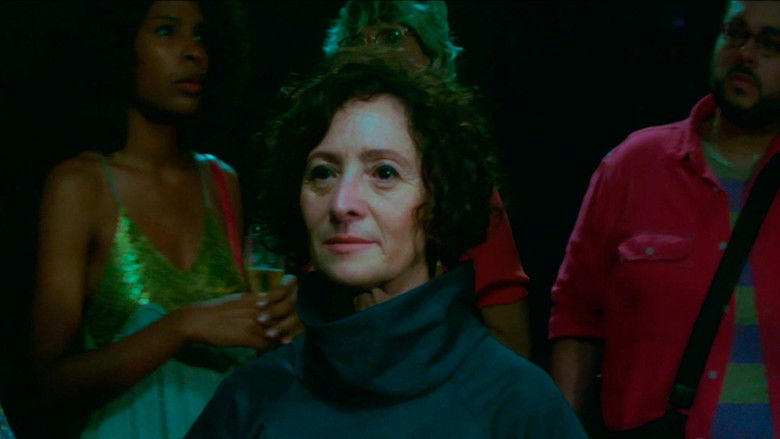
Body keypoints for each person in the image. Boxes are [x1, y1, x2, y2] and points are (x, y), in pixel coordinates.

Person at [185, 58, 585, 438]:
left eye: (384, 173)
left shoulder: (516, 404)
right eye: (323, 173)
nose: (341, 203)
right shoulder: (250, 399)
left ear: (440, 199)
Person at [29, 1, 299, 438]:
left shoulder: (221, 181)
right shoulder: (80, 185)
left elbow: (246, 355)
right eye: (166, 31)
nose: (194, 52)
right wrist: (180, 328)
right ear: (119, 45)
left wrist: (281, 321)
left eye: (201, 35)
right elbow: (47, 387)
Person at [549, 1, 780, 437]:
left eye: (771, 43)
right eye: (735, 33)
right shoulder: (635, 165)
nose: (745, 53)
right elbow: (577, 315)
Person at [321, 0, 532, 357]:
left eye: (391, 36)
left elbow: (510, 341)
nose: (370, 53)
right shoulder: (318, 179)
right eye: (356, 40)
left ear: (434, 59)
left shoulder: (465, 185)